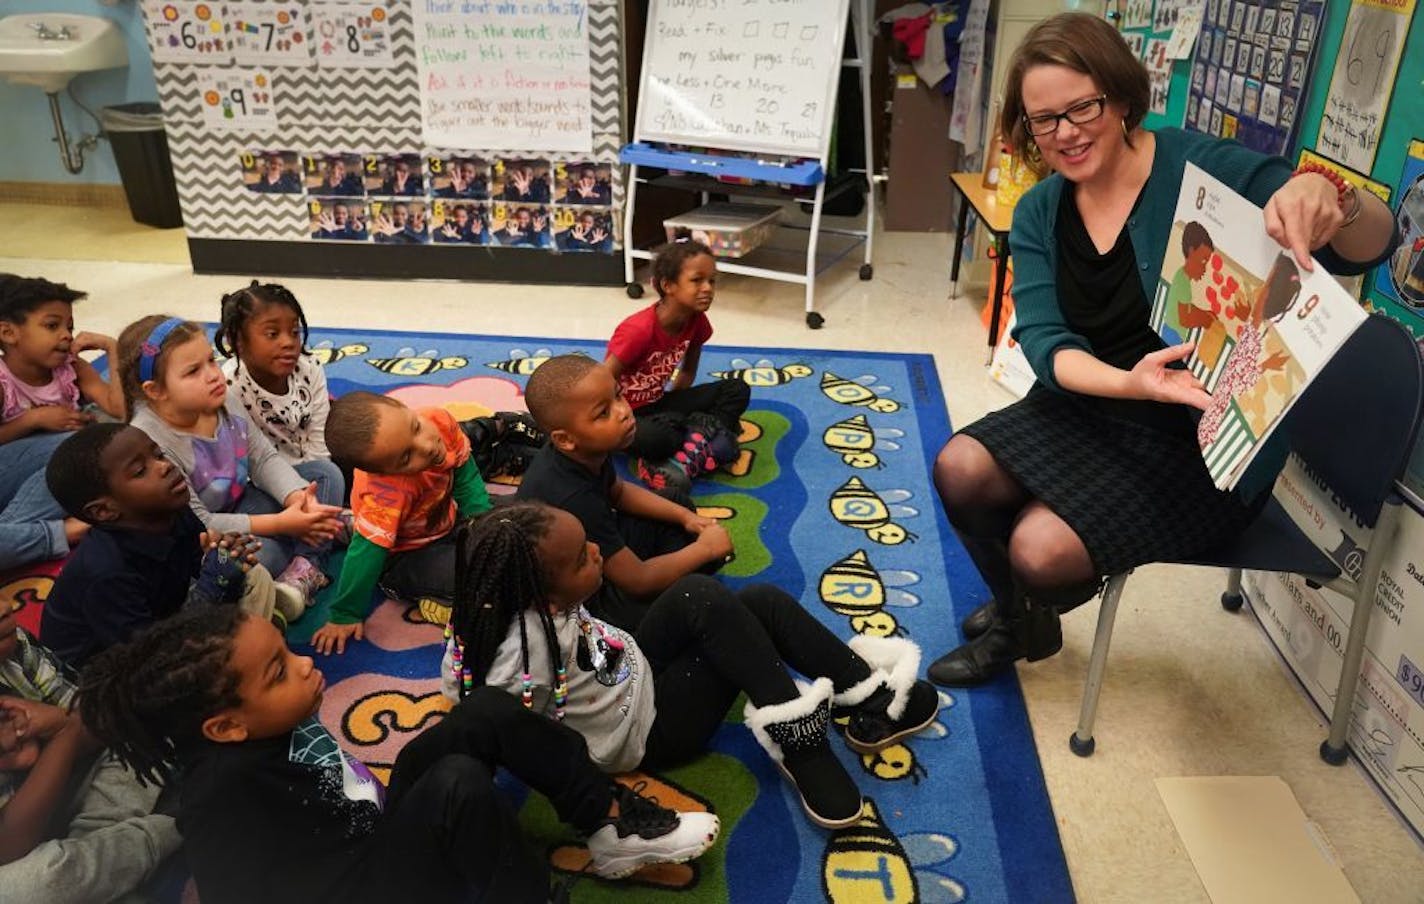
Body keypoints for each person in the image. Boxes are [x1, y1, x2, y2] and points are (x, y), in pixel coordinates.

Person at [926, 13, 1400, 687]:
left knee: (1038, 547)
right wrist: (1131, 384)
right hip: (1090, 403)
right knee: (959, 466)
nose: (1065, 133)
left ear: (1120, 98)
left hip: (1200, 445)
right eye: (1043, 119)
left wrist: (1332, 197)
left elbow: (1371, 245)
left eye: (1082, 107)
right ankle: (1021, 616)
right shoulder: (1040, 211)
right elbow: (1046, 344)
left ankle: (1022, 605)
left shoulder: (1200, 167)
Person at [78, 607, 721, 903]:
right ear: (224, 729)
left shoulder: (270, 726)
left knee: (489, 711)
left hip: (371, 827)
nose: (304, 665)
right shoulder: (220, 793)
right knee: (458, 783)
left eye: (287, 651)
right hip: (364, 886)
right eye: (278, 672)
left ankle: (607, 823)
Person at [445, 503, 940, 829]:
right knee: (714, 600)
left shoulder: (506, 602)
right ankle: (803, 745)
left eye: (587, 545)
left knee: (757, 600)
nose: (596, 553)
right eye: (580, 561)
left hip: (631, 667)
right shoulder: (515, 654)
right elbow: (493, 720)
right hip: (646, 729)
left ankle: (870, 695)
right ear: (542, 598)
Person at [120, 316, 345, 621]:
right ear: (155, 391)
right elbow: (203, 522)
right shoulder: (151, 442)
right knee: (263, 557)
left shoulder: (223, 398)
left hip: (246, 501)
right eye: (193, 371)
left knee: (324, 474)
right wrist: (281, 524)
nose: (213, 375)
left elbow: (263, 458)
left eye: (211, 361)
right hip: (208, 539)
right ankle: (322, 531)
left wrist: (297, 499)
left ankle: (305, 563)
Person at [40, 423, 285, 667]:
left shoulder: (173, 509)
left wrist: (223, 555)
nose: (165, 466)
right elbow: (151, 658)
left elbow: (201, 564)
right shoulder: (105, 573)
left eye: (158, 454)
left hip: (163, 618)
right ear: (104, 511)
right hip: (111, 670)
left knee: (252, 572)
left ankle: (248, 652)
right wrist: (215, 582)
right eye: (140, 471)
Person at [516, 355, 733, 618]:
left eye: (618, 396)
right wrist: (705, 549)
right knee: (682, 596)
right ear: (565, 439)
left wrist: (686, 517)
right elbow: (638, 581)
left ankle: (685, 571)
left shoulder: (585, 451)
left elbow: (618, 492)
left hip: (596, 547)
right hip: (580, 598)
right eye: (603, 413)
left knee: (677, 503)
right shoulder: (573, 497)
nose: (624, 411)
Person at [0, 603, 180, 902]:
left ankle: (98, 865)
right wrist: (66, 732)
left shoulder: (14, 648)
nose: (6, 607)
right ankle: (176, 829)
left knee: (142, 722)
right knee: (39, 882)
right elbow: (10, 847)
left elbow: (99, 715)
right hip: (18, 847)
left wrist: (62, 727)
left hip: (63, 786)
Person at [310, 392, 493, 654]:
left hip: (447, 520)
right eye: (407, 458)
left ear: (404, 407)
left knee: (517, 522)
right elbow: (367, 553)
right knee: (480, 572)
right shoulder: (386, 494)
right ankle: (439, 602)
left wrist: (483, 520)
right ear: (384, 472)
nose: (427, 446)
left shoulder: (438, 421)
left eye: (415, 427)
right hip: (403, 556)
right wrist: (345, 613)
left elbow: (464, 472)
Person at [606, 234, 749, 499]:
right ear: (668, 285)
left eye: (712, 281)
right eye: (697, 280)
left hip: (658, 404)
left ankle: (694, 443)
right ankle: (701, 442)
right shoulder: (638, 329)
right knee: (662, 438)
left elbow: (686, 372)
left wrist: (678, 402)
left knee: (737, 389)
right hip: (625, 415)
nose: (708, 288)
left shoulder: (698, 321)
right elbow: (603, 381)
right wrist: (617, 422)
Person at [0, 275, 124, 571]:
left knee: (116, 437)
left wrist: (113, 349)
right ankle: (14, 531)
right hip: (11, 473)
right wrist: (34, 419)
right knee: (81, 448)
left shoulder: (71, 368)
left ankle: (17, 536)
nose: (67, 335)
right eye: (52, 325)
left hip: (45, 476)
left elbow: (119, 408)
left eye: (69, 326)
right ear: (8, 332)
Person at [216, 281, 331, 466]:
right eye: (272, 334)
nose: (288, 342)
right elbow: (241, 460)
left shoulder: (309, 367)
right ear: (236, 339)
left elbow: (321, 442)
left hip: (315, 467)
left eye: (294, 332)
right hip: (266, 477)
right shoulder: (229, 388)